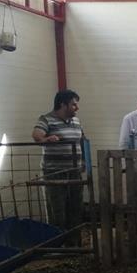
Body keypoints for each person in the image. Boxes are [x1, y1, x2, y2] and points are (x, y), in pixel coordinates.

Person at [32, 89, 84, 242]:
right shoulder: (46, 119)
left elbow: (81, 139)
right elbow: (36, 135)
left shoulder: (76, 121)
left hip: (74, 171)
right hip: (55, 172)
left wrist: (83, 161)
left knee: (75, 207)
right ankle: (58, 243)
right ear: (63, 105)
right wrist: (46, 139)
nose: (77, 108)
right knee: (57, 209)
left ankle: (74, 242)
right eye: (73, 105)